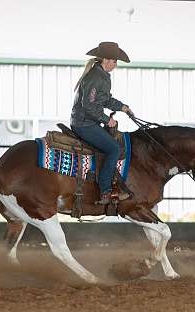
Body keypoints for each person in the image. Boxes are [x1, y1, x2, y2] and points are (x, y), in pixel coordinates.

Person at [71, 41, 134, 205]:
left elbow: (104, 100)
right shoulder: (95, 77)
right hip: (83, 123)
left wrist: (122, 107)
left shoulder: (101, 76)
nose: (115, 65)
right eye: (114, 61)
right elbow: (89, 105)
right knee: (114, 148)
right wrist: (107, 119)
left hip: (88, 121)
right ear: (106, 60)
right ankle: (105, 191)